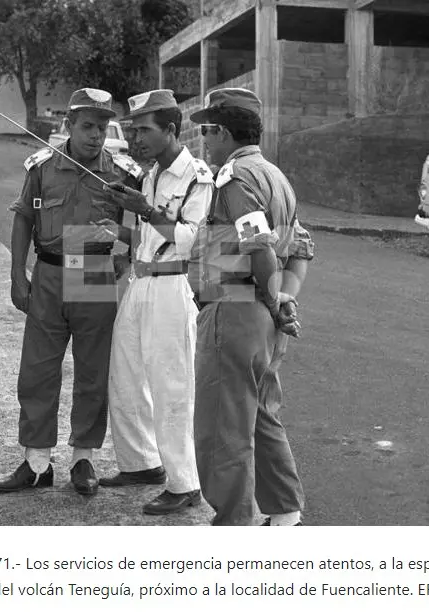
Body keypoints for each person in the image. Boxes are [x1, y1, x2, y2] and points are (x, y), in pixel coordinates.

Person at [0, 88, 143, 496]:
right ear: (68, 126)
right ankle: (36, 462)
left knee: (92, 371)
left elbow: (140, 225)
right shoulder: (42, 167)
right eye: (88, 126)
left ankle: (84, 459)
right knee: (38, 370)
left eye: (102, 126)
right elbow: (23, 217)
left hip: (92, 271)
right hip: (51, 272)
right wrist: (18, 275)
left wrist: (124, 260)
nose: (95, 134)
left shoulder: (121, 171)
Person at [188, 88, 315, 526]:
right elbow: (301, 248)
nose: (203, 139)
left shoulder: (236, 178)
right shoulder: (276, 177)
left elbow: (258, 248)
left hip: (234, 306)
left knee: (222, 424)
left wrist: (268, 293)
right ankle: (284, 513)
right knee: (262, 414)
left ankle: (233, 523)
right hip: (262, 314)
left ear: (223, 131)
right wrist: (283, 297)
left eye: (206, 129)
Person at [97, 90, 213, 515]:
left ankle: (185, 483)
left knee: (172, 385)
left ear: (170, 129)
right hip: (140, 282)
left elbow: (187, 238)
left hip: (170, 289)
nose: (135, 138)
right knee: (125, 375)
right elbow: (150, 240)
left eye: (143, 130)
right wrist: (120, 225)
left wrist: (144, 210)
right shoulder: (149, 174)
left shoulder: (197, 176)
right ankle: (141, 463)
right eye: (131, 129)